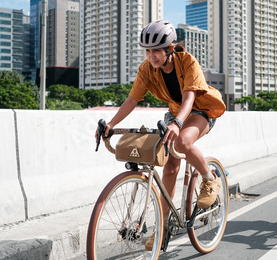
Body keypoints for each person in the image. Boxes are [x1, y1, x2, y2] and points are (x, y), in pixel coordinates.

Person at [96, 19, 226, 250]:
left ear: (170, 48)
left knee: (183, 142)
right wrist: (111, 125)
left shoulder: (187, 62)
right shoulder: (147, 70)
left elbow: (189, 98)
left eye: (156, 50)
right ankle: (163, 226)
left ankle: (210, 178)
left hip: (201, 110)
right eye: (147, 51)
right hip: (175, 113)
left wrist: (177, 123)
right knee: (169, 166)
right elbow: (132, 99)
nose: (151, 56)